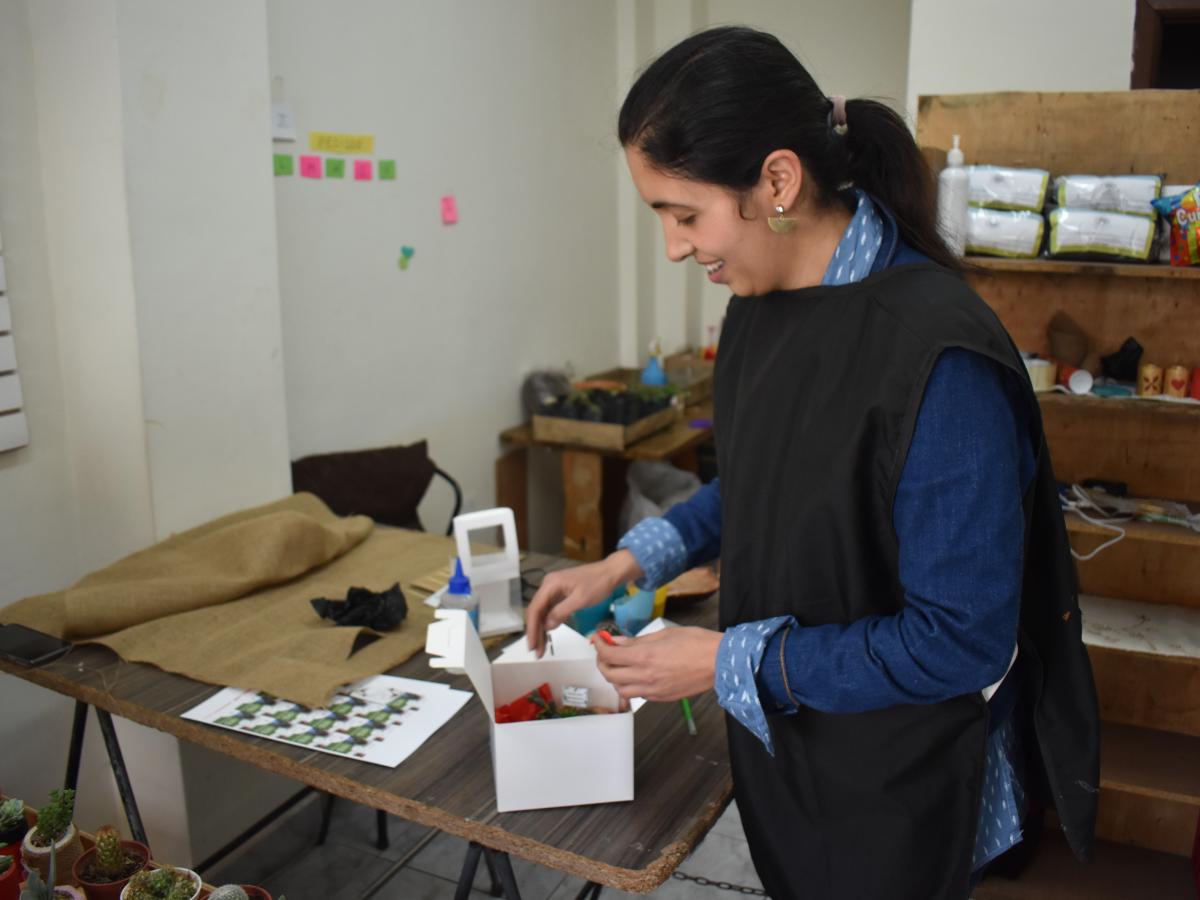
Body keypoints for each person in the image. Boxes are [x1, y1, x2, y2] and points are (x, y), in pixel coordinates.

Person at [525, 25, 1099, 900]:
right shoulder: (758, 307)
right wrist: (637, 554)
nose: (676, 247)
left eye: (686, 214)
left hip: (899, 776)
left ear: (779, 182)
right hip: (794, 749)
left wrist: (724, 663)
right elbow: (762, 479)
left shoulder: (939, 364)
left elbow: (960, 640)